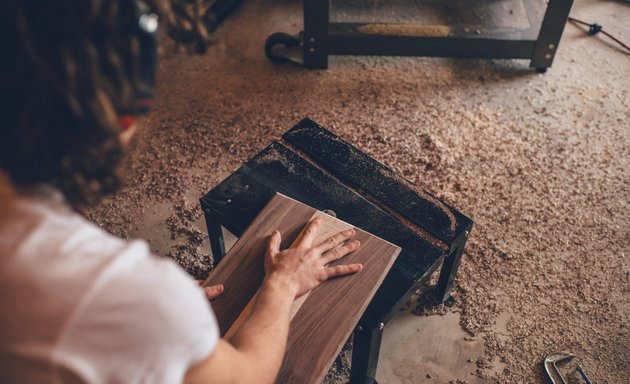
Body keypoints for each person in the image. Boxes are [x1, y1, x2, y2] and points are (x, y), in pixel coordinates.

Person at [0, 1, 362, 382]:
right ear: (121, 110)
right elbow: (248, 375)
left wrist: (155, 320)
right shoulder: (119, 295)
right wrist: (283, 283)